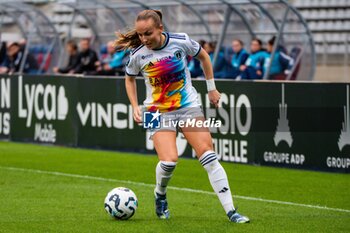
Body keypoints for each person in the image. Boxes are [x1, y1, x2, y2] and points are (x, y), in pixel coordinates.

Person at [114, 9, 249, 223]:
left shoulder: (181, 41)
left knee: (208, 155)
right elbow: (129, 79)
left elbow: (204, 56)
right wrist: (134, 106)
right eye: (140, 35)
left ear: (160, 28)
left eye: (148, 33)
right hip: (156, 111)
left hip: (188, 106)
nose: (144, 39)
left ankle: (232, 211)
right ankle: (160, 194)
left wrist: (211, 88)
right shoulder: (138, 55)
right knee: (169, 162)